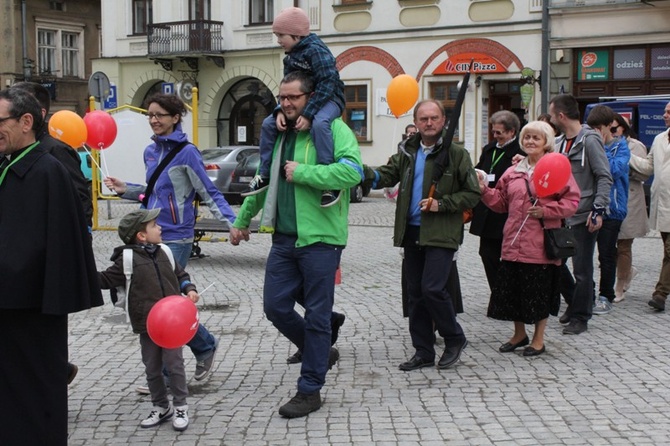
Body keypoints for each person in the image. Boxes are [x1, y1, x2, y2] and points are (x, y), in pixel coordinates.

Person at [229, 71, 363, 418]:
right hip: (284, 238)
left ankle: (310, 390)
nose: (286, 104)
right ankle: (320, 351)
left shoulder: (332, 129)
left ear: (310, 97)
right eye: (282, 97)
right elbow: (265, 180)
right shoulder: (279, 132)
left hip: (322, 240)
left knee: (317, 317)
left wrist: (303, 173)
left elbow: (352, 173)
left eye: (294, 98)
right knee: (275, 307)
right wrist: (243, 220)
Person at [104, 93, 235, 384]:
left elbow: (207, 192)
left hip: (175, 236)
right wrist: (126, 189)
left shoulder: (187, 152)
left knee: (165, 300)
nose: (154, 120)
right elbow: (152, 194)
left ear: (175, 118)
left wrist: (232, 223)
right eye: (150, 115)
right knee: (157, 301)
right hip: (146, 234)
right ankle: (169, 370)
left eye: (160, 115)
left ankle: (199, 349)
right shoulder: (150, 152)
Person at [0, 88, 103, 445]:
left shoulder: (48, 168)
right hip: (9, 304)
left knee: (37, 389)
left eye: (0, 122)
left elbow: (59, 242)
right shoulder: (9, 164)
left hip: (33, 306)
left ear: (26, 122)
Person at [365, 99, 480, 372]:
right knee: (415, 294)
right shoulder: (407, 152)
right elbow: (386, 175)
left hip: (441, 232)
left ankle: (454, 337)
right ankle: (423, 351)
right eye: (423, 119)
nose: (429, 123)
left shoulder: (456, 154)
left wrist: (443, 204)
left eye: (434, 118)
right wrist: (360, 173)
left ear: (443, 121)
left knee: (432, 288)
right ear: (415, 123)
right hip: (412, 231)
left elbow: (473, 193)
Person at [11, 81, 94, 384]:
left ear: (35, 115)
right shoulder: (14, 154)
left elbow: (79, 200)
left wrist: (73, 247)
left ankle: (53, 372)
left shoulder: (55, 153)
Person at [479, 121, 580, 356]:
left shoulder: (557, 168)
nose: (530, 142)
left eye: (536, 138)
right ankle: (519, 334)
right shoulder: (513, 170)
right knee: (514, 292)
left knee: (538, 294)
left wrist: (547, 211)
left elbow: (572, 202)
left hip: (540, 244)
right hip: (513, 241)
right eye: (527, 137)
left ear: (546, 142)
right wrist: (483, 190)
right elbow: (501, 202)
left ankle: (538, 339)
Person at [99, 209, 196, 431]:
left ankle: (181, 406)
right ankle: (161, 406)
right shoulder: (127, 259)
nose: (160, 228)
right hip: (147, 324)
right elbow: (105, 279)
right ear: (141, 235)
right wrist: (80, 272)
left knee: (175, 364)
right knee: (152, 368)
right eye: (154, 225)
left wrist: (189, 289)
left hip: (172, 323)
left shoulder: (165, 252)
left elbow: (180, 275)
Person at [244, 6, 346, 208]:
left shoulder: (317, 51)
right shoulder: (290, 56)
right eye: (276, 35)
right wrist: (280, 110)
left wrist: (308, 114)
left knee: (320, 123)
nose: (278, 40)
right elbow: (287, 86)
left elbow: (328, 82)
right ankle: (264, 174)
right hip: (306, 100)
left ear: (297, 35)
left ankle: (329, 180)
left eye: (281, 35)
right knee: (267, 124)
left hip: (330, 99)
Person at [549, 94, 612, 335]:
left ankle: (581, 316)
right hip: (561, 214)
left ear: (561, 116)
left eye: (553, 115)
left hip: (583, 214)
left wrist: (598, 210)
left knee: (582, 270)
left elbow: (604, 176)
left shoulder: (589, 140)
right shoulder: (558, 142)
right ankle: (575, 301)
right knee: (555, 263)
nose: (552, 119)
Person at [470, 110, 525, 290]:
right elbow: (479, 168)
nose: (495, 136)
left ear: (512, 132)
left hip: (506, 212)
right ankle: (497, 292)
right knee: (487, 254)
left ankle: (509, 292)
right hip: (487, 210)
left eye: (499, 133)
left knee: (509, 257)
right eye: (493, 132)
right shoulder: (489, 149)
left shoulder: (520, 152)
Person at [585, 106, 630, 315]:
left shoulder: (621, 147)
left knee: (606, 254)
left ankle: (606, 296)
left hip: (612, 209)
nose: (595, 132)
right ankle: (587, 293)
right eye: (591, 128)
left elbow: (613, 170)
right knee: (583, 254)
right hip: (589, 207)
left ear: (609, 126)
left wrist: (600, 148)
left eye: (598, 128)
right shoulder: (586, 143)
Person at [629, 101, 670, 311]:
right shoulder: (660, 138)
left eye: (669, 112)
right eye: (665, 111)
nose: (665, 115)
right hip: (663, 204)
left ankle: (660, 294)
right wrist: (627, 155)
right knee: (667, 250)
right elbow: (648, 167)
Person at [612, 114, 649, 302]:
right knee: (609, 246)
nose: (612, 132)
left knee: (624, 245)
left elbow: (645, 172)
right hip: (612, 199)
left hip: (630, 199)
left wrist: (627, 163)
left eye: (615, 129)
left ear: (623, 128)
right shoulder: (605, 144)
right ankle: (627, 272)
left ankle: (620, 286)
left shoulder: (635, 146)